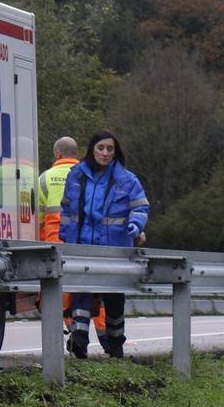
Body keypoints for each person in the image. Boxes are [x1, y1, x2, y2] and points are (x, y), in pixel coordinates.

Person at [59, 130, 148, 359]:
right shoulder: (76, 175)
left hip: (114, 247)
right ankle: (79, 340)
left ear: (115, 152)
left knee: (114, 297)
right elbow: (67, 209)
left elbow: (140, 207)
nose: (105, 153)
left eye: (110, 149)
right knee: (82, 292)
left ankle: (116, 342)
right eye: (101, 148)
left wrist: (136, 225)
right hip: (82, 245)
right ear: (92, 149)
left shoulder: (127, 179)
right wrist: (65, 234)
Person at [38, 136, 108, 337]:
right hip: (85, 241)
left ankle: (74, 333)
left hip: (54, 243)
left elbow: (39, 218)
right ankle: (105, 337)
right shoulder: (91, 176)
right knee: (93, 288)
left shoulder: (45, 178)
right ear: (76, 154)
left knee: (61, 290)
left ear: (57, 154)